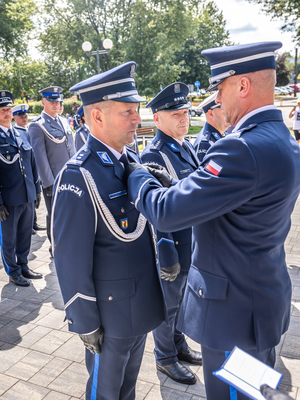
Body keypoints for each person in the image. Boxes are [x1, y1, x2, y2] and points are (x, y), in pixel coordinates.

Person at [125, 41, 300, 400]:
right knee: (259, 391)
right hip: (260, 303)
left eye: (220, 88)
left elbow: (167, 212)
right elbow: (229, 201)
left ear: (243, 86)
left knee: (235, 395)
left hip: (232, 318)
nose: (217, 100)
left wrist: (139, 176)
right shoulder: (282, 137)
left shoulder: (241, 147)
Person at [52, 62, 167, 400]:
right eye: (128, 111)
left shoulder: (129, 162)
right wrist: (85, 321)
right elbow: (70, 259)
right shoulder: (79, 175)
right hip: (110, 317)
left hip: (138, 305)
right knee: (106, 393)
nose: (137, 118)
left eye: (137, 110)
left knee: (127, 390)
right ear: (98, 117)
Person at [141, 82, 202, 385]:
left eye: (185, 112)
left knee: (181, 303)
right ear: (157, 119)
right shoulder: (155, 156)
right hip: (174, 246)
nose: (183, 118)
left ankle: (178, 346)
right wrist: (166, 253)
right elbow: (155, 215)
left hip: (191, 242)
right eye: (175, 113)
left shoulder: (185, 145)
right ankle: (165, 358)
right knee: (168, 306)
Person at [0, 91, 42, 286]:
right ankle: (13, 271)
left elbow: (32, 163)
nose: (7, 114)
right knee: (8, 239)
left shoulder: (21, 134)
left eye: (9, 109)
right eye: (3, 110)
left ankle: (23, 265)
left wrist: (37, 189)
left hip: (27, 195)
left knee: (25, 234)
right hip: (8, 200)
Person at [28, 86, 76, 257]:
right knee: (55, 214)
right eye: (52, 101)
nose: (56, 104)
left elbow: (72, 149)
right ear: (43, 102)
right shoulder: (37, 126)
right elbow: (40, 157)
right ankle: (55, 245)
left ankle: (69, 242)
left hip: (70, 176)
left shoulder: (63, 121)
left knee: (71, 211)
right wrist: (48, 183)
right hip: (54, 179)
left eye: (58, 101)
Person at [12, 104, 46, 234]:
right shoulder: (15, 133)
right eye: (21, 116)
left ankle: (34, 222)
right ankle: (29, 225)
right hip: (25, 170)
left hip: (35, 167)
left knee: (34, 198)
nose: (24, 118)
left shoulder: (28, 130)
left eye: (26, 115)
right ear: (15, 117)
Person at [193, 92, 230, 162]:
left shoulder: (224, 134)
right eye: (223, 109)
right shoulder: (204, 143)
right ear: (211, 113)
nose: (228, 112)